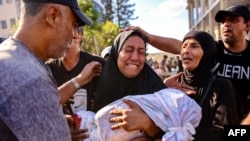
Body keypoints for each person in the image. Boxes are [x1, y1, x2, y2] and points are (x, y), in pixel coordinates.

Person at [122, 5, 250, 121]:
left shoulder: (224, 83)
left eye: (233, 20)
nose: (226, 24)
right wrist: (149, 37)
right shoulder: (213, 50)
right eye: (223, 21)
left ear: (247, 25)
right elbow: (181, 47)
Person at [0, 0, 102, 141]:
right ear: (53, 16)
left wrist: (53, 123)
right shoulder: (31, 79)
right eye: (73, 25)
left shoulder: (9, 54)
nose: (74, 35)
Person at [93, 30, 168, 139]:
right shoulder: (95, 82)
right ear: (116, 53)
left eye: (141, 52)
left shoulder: (157, 90)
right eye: (128, 50)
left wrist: (148, 124)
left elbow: (175, 130)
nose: (135, 57)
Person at [179, 30, 242, 140]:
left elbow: (228, 132)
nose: (186, 51)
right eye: (183, 46)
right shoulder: (175, 84)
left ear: (207, 53)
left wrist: (183, 134)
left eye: (194, 46)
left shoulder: (221, 86)